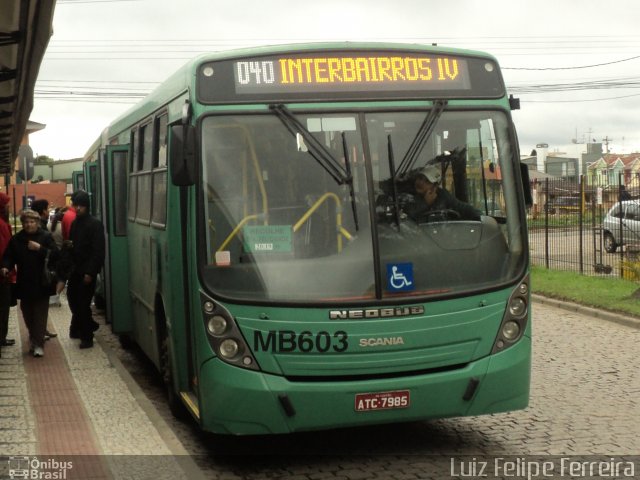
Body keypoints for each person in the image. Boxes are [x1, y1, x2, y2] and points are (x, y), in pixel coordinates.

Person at [1, 209, 58, 357]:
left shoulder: (45, 237)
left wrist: (40, 249)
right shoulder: (17, 239)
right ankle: (34, 338)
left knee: (40, 314)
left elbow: (56, 255)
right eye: (26, 222)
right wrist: (5, 266)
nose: (28, 225)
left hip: (42, 282)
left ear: (37, 223)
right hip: (24, 281)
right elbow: (9, 255)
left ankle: (38, 344)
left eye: (32, 222)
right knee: (27, 313)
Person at [66, 191, 105, 349]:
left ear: (87, 207)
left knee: (82, 303)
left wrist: (91, 272)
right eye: (76, 205)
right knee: (72, 299)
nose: (78, 208)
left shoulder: (95, 224)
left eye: (81, 206)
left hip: (87, 270)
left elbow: (98, 251)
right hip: (75, 269)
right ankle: (88, 324)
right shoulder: (75, 223)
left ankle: (86, 336)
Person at [407, 165, 481, 222]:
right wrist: (425, 203)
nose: (421, 183)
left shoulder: (442, 195)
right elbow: (408, 216)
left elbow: (462, 207)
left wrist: (480, 216)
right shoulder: (407, 196)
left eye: (427, 181)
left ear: (434, 186)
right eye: (420, 178)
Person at [0, 193, 15, 349]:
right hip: (2, 275)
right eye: (6, 204)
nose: (8, 207)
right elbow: (4, 251)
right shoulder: (1, 224)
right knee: (3, 309)